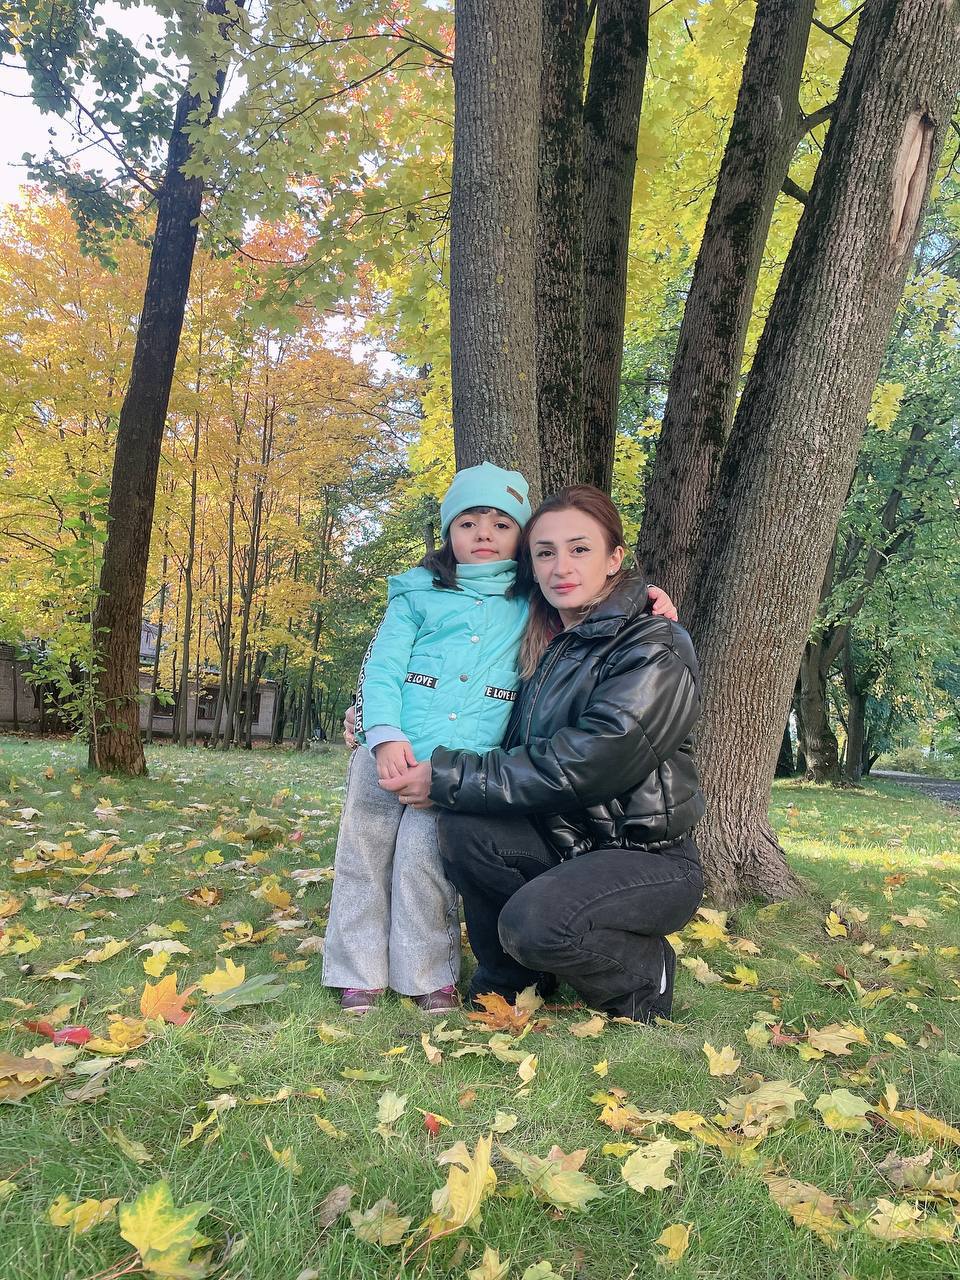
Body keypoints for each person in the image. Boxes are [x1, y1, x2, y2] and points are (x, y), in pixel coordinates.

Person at [327, 465, 678, 1015]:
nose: (483, 535)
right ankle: (366, 972)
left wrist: (643, 596)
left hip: (616, 837)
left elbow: (594, 747)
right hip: (421, 765)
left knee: (431, 864)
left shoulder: (559, 615)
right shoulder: (435, 598)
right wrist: (378, 724)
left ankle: (431, 974)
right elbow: (387, 666)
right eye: (467, 523)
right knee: (381, 854)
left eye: (501, 524)